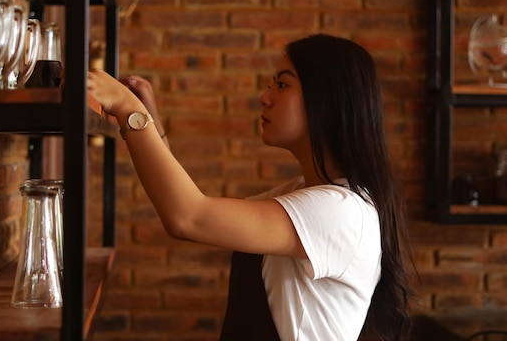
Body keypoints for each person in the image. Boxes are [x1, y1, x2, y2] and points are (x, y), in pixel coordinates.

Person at [87, 33, 414, 341]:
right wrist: (147, 121)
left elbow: (189, 216)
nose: (265, 97)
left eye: (282, 84)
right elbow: (197, 210)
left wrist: (128, 107)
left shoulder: (341, 212)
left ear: (327, 101)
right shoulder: (305, 196)